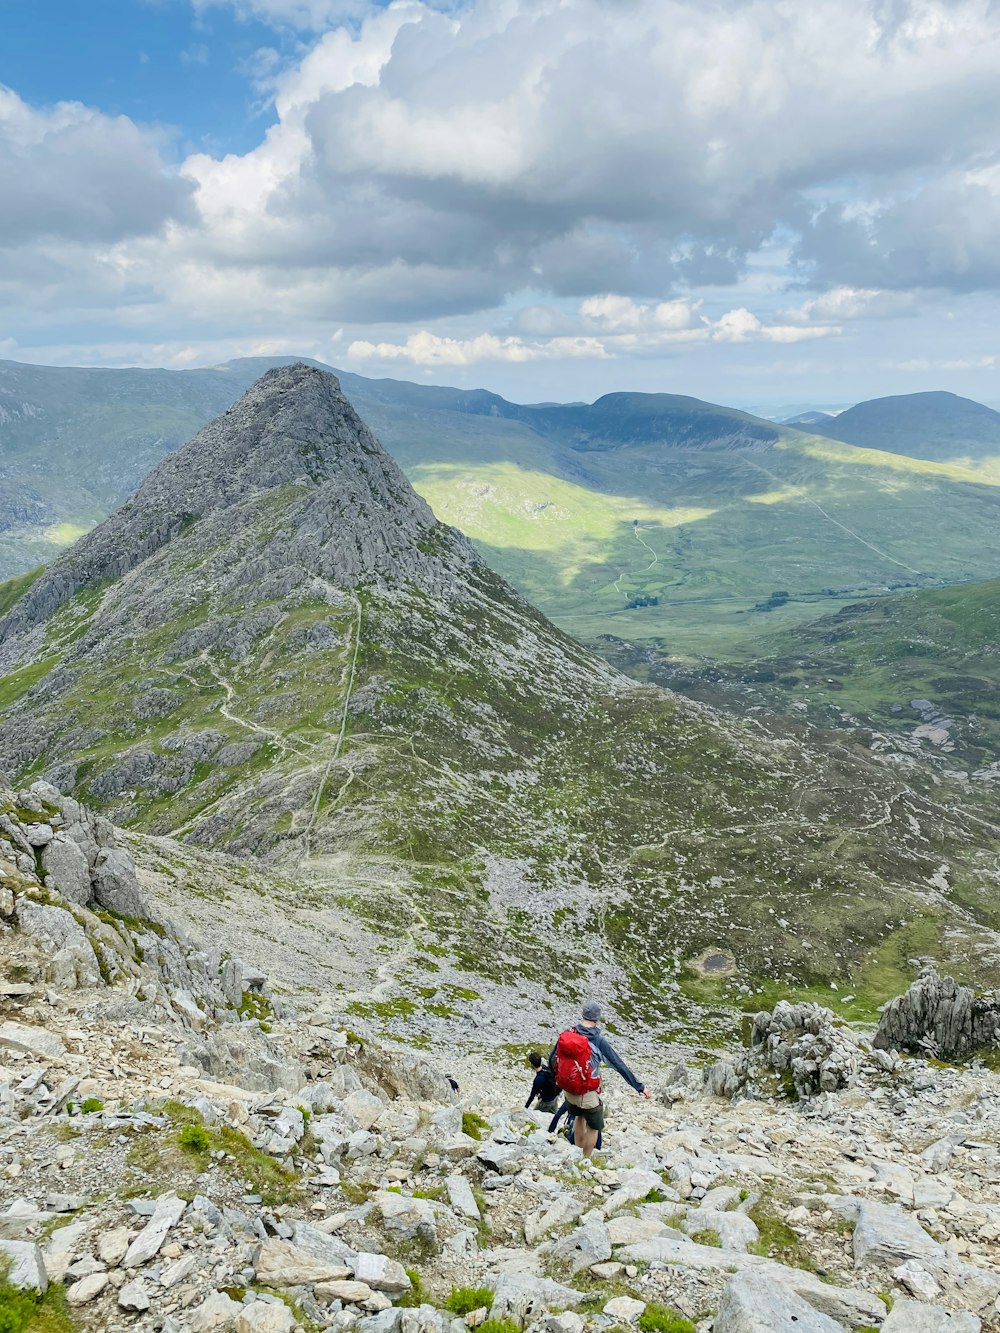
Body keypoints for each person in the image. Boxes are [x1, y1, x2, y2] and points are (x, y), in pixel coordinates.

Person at [552, 1000, 650, 1157]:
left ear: (582, 1014)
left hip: (569, 1091)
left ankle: (576, 1153)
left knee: (578, 1116)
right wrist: (639, 1087)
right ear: (597, 1019)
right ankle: (585, 1159)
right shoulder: (598, 1041)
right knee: (595, 1126)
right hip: (587, 1093)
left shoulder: (568, 1034)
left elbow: (553, 1058)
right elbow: (619, 1065)